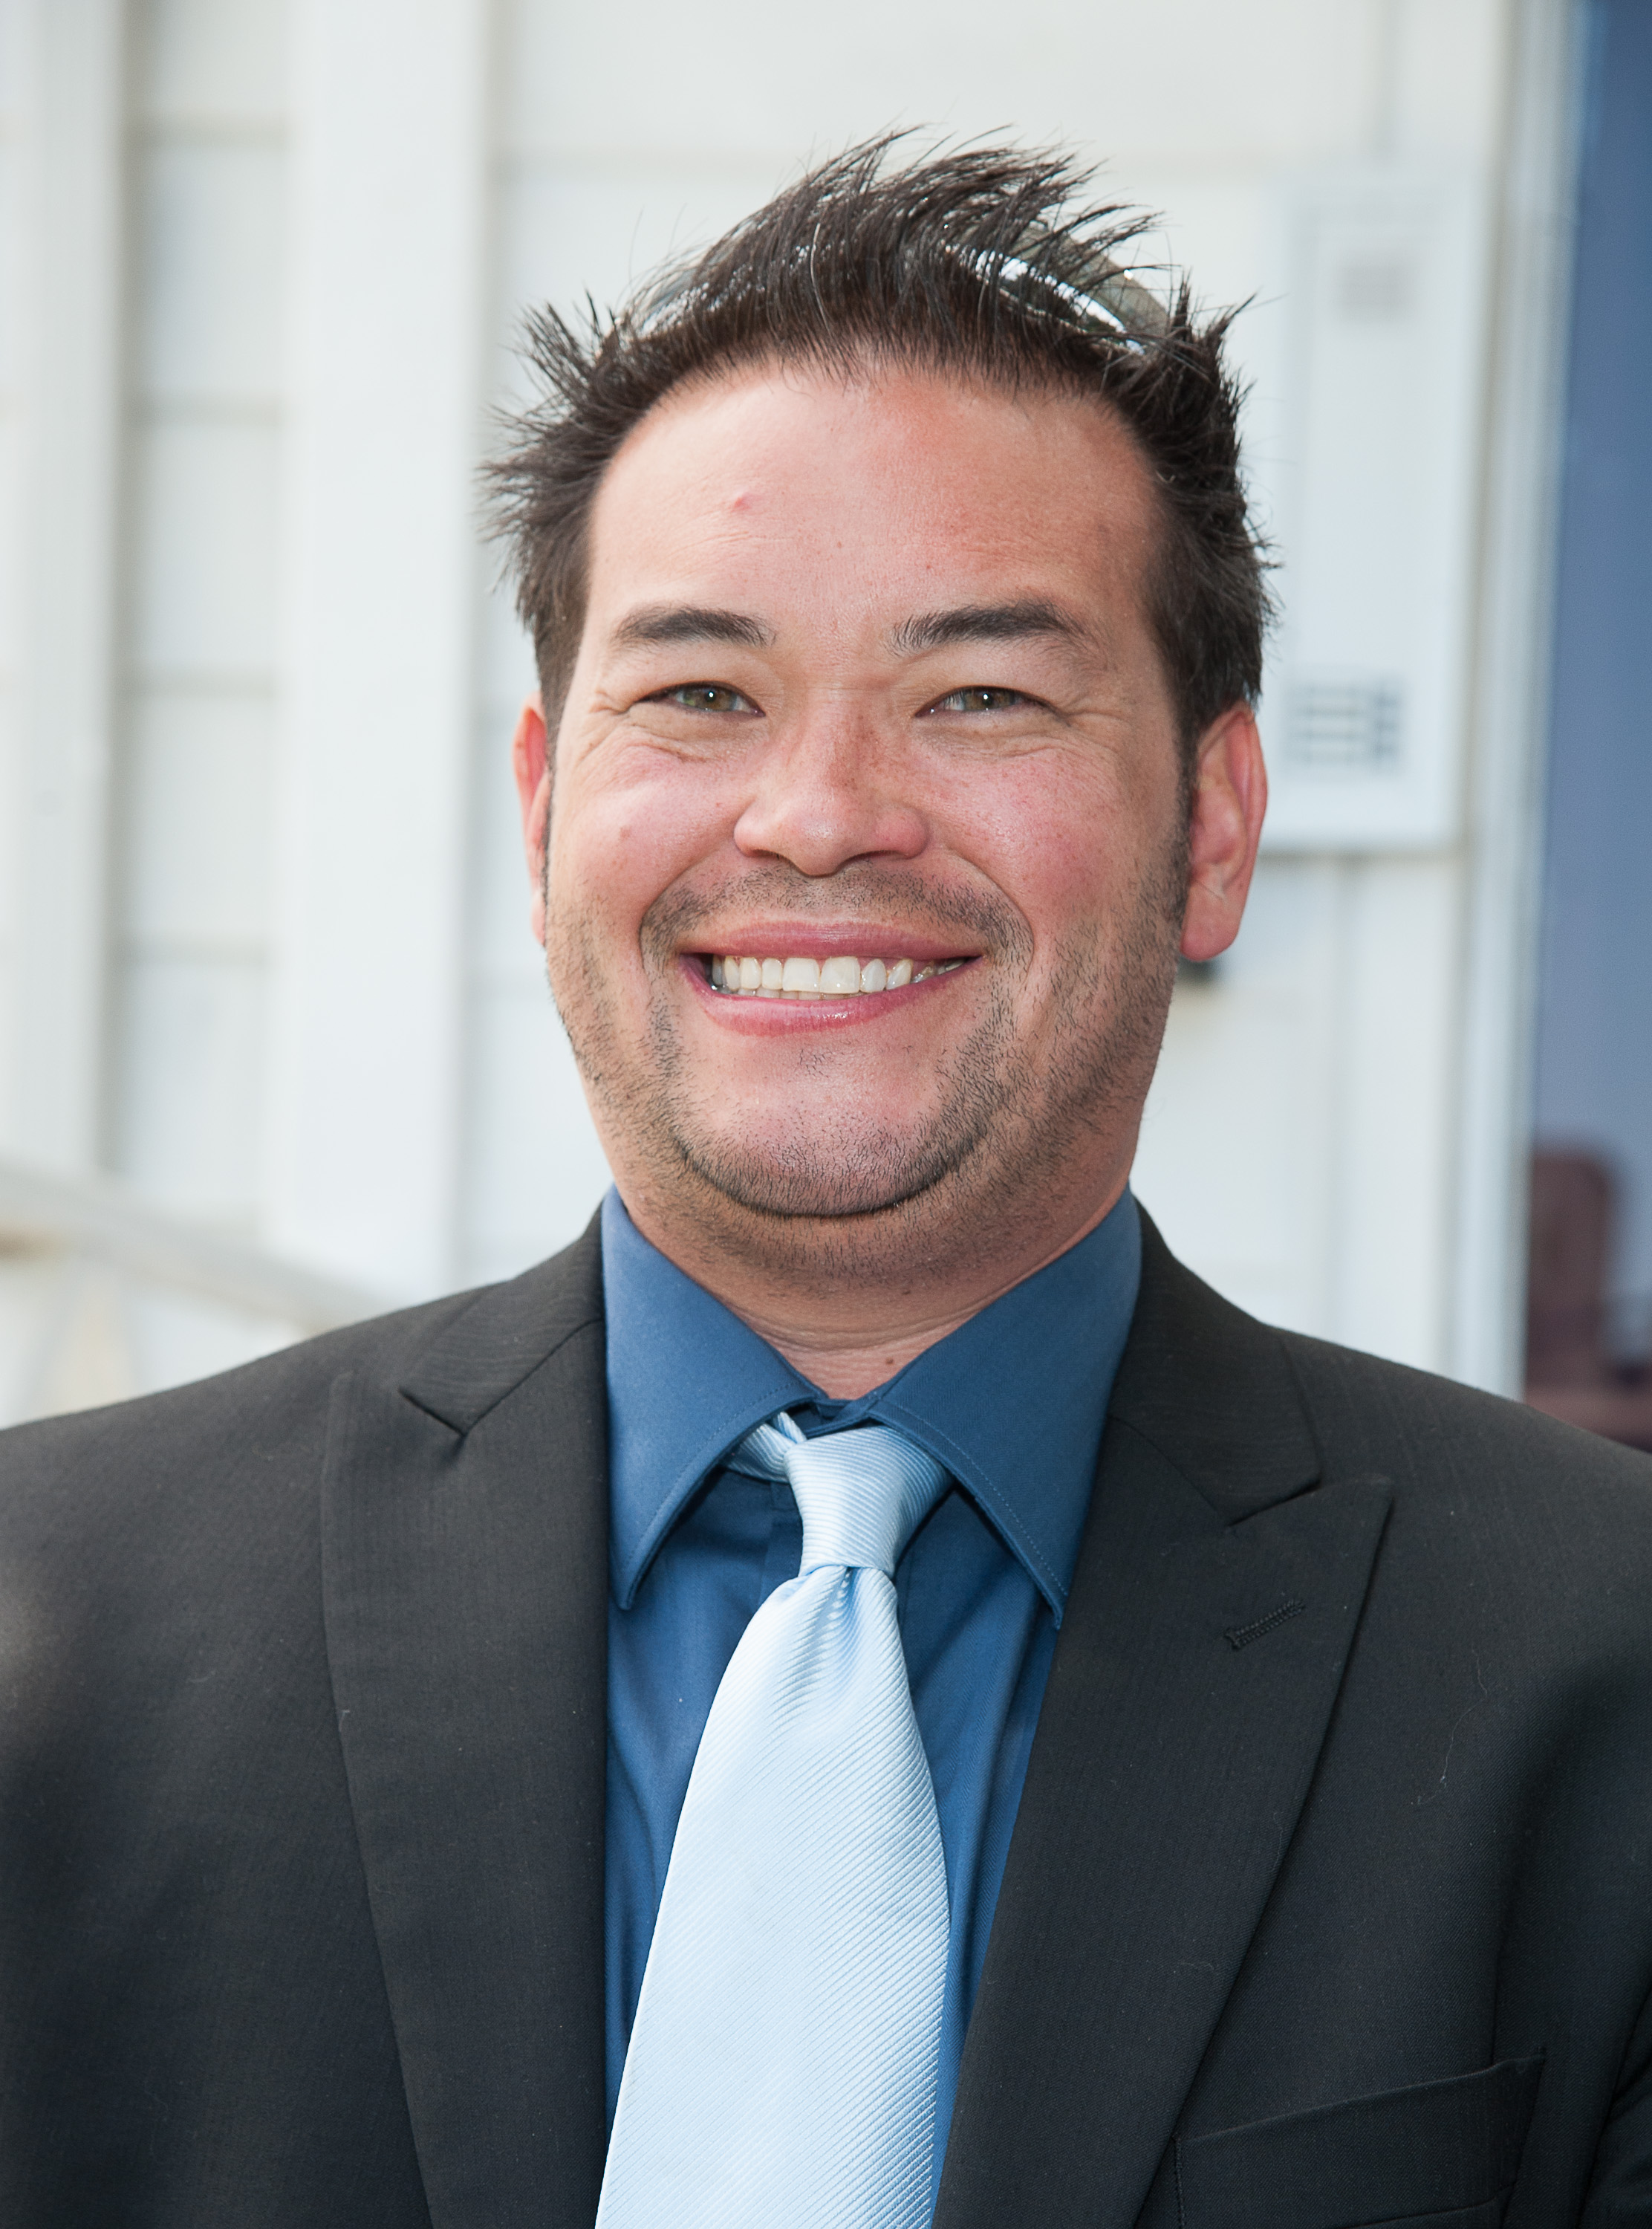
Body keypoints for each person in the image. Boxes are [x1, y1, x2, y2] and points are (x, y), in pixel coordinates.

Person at [3, 140, 1651, 2229]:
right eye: (701, 693)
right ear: (543, 812)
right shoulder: (42, 1625)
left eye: (978, 694)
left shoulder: (1601, 1675)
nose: (818, 816)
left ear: (1216, 825)